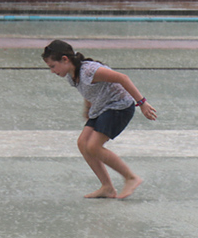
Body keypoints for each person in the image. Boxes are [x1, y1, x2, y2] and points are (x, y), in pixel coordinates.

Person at [42, 39, 157, 199]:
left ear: (65, 59)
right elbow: (90, 90)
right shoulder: (71, 75)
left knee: (94, 146)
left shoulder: (90, 71)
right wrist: (88, 109)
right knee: (82, 143)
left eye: (52, 66)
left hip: (119, 106)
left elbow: (123, 78)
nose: (52, 71)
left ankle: (131, 177)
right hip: (101, 108)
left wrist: (142, 103)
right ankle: (107, 187)